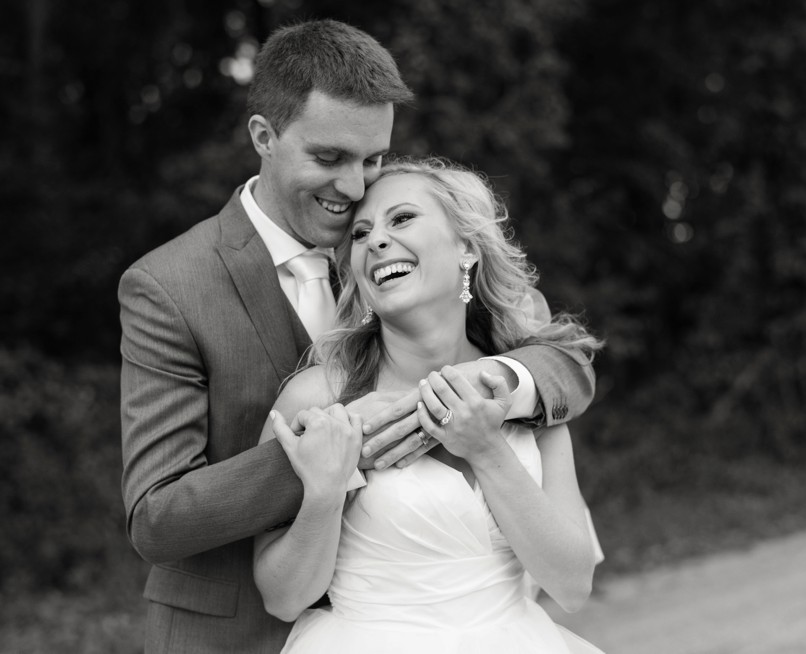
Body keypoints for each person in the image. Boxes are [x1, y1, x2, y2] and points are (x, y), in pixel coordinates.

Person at [118, 19, 596, 654]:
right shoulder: (170, 286)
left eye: (372, 159)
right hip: (240, 635)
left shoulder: (389, 243)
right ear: (264, 136)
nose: (353, 188)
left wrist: (506, 384)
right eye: (329, 158)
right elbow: (155, 519)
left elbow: (560, 360)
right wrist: (335, 456)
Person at [253, 156, 605, 653]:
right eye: (359, 233)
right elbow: (283, 599)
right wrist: (326, 493)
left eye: (401, 219)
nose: (375, 241)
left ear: (466, 246)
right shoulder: (317, 397)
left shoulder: (523, 397)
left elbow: (572, 585)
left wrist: (486, 449)